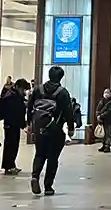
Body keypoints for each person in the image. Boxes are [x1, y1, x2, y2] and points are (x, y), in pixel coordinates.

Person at [27, 66, 77, 196]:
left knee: (39, 154)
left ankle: (35, 176)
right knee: (53, 158)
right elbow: (68, 112)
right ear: (61, 77)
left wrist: (30, 123)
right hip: (55, 128)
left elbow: (29, 107)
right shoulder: (62, 92)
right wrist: (71, 128)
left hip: (39, 127)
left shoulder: (38, 89)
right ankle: (48, 186)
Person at [0, 78, 29, 175]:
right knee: (10, 146)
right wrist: (23, 124)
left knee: (13, 146)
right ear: (18, 87)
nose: (25, 92)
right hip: (11, 124)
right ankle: (9, 166)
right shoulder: (12, 97)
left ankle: (11, 165)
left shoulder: (15, 96)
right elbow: (17, 112)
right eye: (23, 89)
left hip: (13, 124)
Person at [96, 87, 111, 152]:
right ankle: (103, 145)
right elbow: (98, 109)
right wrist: (98, 116)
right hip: (102, 120)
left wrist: (101, 116)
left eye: (108, 92)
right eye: (105, 92)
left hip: (109, 120)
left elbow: (109, 112)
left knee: (108, 134)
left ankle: (107, 146)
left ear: (110, 94)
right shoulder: (102, 101)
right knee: (103, 134)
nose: (106, 94)